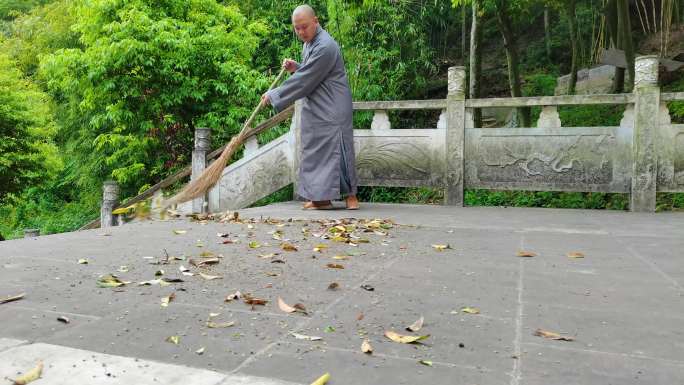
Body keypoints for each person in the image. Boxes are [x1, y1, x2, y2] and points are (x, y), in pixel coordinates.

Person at [261, 4, 359, 210]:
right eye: (297, 28)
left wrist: (275, 94)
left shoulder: (325, 45)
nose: (301, 32)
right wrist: (295, 66)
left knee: (338, 151)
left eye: (304, 27)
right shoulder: (310, 43)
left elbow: (306, 79)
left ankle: (351, 197)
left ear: (316, 21)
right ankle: (321, 199)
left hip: (332, 106)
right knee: (317, 152)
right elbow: (310, 71)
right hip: (318, 105)